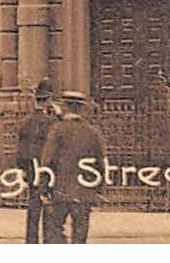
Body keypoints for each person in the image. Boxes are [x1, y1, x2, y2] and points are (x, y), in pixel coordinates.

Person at [41, 91, 105, 244]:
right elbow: (100, 164)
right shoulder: (93, 132)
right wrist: (98, 190)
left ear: (66, 107)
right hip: (84, 191)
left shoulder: (57, 130)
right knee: (80, 233)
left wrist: (44, 188)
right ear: (81, 109)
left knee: (54, 229)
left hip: (60, 190)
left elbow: (47, 161)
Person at [15, 79, 59, 243]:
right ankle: (48, 240)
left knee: (33, 205)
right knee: (49, 204)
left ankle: (31, 241)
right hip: (48, 169)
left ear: (35, 100)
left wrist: (22, 168)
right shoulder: (52, 123)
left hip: (31, 167)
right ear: (48, 101)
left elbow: (19, 150)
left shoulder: (25, 122)